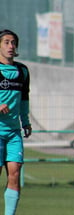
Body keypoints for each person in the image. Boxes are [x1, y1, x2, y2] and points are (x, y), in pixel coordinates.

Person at [0, 30, 32, 215]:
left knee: (15, 173)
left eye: (13, 43)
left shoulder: (23, 71)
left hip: (13, 133)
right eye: (6, 42)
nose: (11, 46)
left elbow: (24, 99)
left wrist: (25, 122)